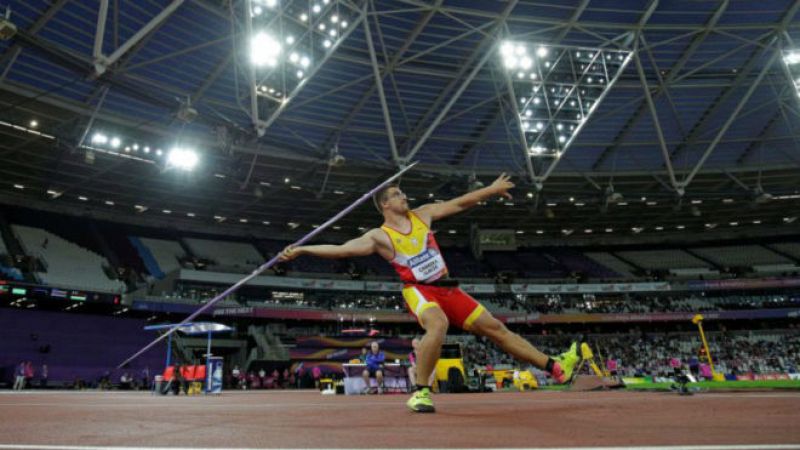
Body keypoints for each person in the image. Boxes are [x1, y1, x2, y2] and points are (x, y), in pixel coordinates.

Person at [280, 174, 582, 413]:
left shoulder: (422, 215)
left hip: (448, 288)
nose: (404, 196)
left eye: (403, 193)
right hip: (419, 291)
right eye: (397, 194)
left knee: (496, 330)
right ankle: (420, 393)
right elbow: (342, 249)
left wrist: (490, 190)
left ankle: (555, 368)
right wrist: (303, 249)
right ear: (385, 204)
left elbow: (459, 204)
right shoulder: (380, 236)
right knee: (438, 324)